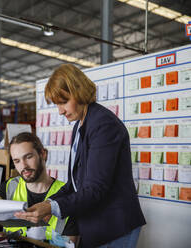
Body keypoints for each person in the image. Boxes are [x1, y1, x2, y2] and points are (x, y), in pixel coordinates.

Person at [14, 64, 146, 248]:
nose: (60, 111)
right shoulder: (80, 125)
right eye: (57, 104)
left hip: (114, 225)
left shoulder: (103, 125)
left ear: (79, 91)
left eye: (63, 102)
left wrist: (51, 207)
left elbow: (95, 188)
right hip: (96, 224)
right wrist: (48, 203)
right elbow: (75, 184)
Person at [0, 132, 79, 243]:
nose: (23, 166)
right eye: (17, 161)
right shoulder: (11, 186)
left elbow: (70, 242)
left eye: (28, 157)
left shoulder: (66, 194)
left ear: (43, 154)